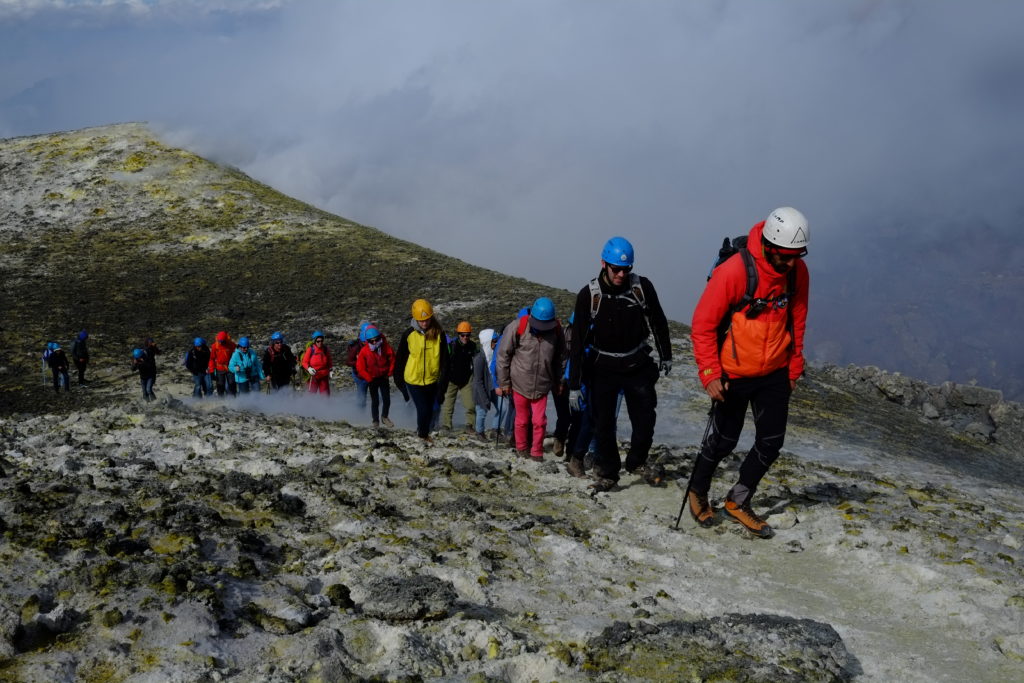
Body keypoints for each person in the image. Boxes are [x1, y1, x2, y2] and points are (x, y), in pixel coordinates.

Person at [687, 207, 810, 538]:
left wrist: (794, 367)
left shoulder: (798, 273)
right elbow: (703, 325)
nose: (791, 263)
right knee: (724, 441)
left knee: (771, 442)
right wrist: (710, 372)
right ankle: (697, 492)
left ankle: (738, 501)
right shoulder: (734, 272)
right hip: (734, 373)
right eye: (785, 257)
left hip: (775, 371)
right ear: (769, 246)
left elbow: (797, 321)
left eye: (797, 256)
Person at [567, 237, 672, 491]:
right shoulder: (588, 295)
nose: (622, 274)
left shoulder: (642, 287)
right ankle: (609, 473)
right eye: (616, 269)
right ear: (604, 264)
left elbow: (658, 320)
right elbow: (578, 342)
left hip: (637, 365)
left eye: (627, 269)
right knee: (603, 424)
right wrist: (574, 384)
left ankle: (636, 461)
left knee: (645, 419)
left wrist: (665, 354)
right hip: (602, 368)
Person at [496, 297, 566, 461]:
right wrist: (504, 383)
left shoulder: (557, 330)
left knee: (539, 421)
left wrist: (559, 381)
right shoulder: (517, 327)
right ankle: (521, 448)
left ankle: (537, 452)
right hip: (519, 382)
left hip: (542, 385)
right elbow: (502, 356)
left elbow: (561, 358)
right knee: (521, 420)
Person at [394, 299, 450, 443]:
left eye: (427, 319)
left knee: (431, 410)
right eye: (421, 320)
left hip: (432, 380)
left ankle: (424, 431)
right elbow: (400, 360)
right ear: (415, 318)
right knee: (423, 409)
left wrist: (442, 387)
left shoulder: (439, 334)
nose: (424, 323)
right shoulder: (408, 335)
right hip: (413, 380)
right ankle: (423, 435)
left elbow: (445, 361)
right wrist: (400, 384)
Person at [355, 325, 396, 428]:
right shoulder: (364, 351)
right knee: (375, 400)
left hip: (383, 377)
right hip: (372, 378)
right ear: (367, 341)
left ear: (379, 338)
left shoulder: (385, 347)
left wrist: (389, 373)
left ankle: (385, 417)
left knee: (387, 399)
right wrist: (368, 378)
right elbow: (360, 367)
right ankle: (375, 420)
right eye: (371, 341)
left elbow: (392, 359)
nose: (374, 342)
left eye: (376, 340)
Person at [441, 321, 477, 433]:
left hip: (466, 379)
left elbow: (476, 361)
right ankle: (446, 425)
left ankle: (470, 425)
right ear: (458, 334)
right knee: (448, 404)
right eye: (462, 335)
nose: (465, 337)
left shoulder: (473, 346)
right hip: (451, 379)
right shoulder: (451, 346)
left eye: (468, 335)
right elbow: (444, 363)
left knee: (470, 404)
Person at [471, 328, 498, 440]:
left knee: (504, 408)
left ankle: (495, 430)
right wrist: (485, 399)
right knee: (481, 411)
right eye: (494, 341)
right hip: (481, 391)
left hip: (492, 388)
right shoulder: (479, 359)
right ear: (487, 341)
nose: (496, 343)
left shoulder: (494, 355)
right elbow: (478, 381)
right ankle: (479, 432)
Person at [346, 321, 372, 407]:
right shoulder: (356, 347)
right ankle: (361, 415)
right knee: (362, 397)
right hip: (360, 376)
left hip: (371, 374)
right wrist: (359, 362)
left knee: (376, 396)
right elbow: (348, 362)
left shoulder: (373, 343)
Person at [208, 331, 237, 397]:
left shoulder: (231, 345)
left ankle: (234, 399)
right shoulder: (215, 346)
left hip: (230, 367)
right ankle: (221, 400)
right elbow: (212, 359)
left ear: (225, 339)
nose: (220, 342)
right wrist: (212, 371)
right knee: (220, 385)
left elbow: (237, 354)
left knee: (232, 384)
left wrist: (237, 364)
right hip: (220, 368)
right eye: (219, 341)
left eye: (222, 341)